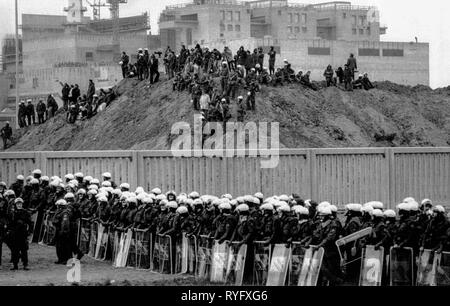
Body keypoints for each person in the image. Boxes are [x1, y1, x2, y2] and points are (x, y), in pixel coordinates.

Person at [8, 198, 32, 270]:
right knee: (15, 250)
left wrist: (29, 232)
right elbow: (10, 223)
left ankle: (25, 264)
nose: (19, 205)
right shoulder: (13, 213)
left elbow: (30, 223)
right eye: (17, 204)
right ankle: (15, 265)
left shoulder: (26, 212)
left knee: (24, 250)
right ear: (15, 204)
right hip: (14, 234)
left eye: (20, 203)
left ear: (22, 204)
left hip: (23, 233)